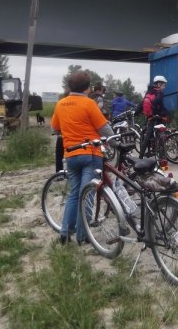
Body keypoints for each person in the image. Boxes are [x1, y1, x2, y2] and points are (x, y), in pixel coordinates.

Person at [51, 71, 114, 245]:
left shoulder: (60, 104)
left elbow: (55, 128)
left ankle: (65, 233)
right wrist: (115, 141)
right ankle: (82, 236)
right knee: (87, 194)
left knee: (74, 194)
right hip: (90, 154)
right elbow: (104, 128)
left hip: (71, 155)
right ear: (87, 88)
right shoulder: (89, 103)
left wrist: (70, 132)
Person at [139, 75, 170, 158]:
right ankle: (162, 155)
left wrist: (138, 112)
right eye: (163, 84)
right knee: (161, 133)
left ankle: (141, 156)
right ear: (159, 84)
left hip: (151, 117)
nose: (164, 86)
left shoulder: (149, 92)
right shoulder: (160, 93)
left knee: (147, 136)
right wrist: (165, 113)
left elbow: (142, 103)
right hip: (158, 117)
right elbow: (157, 103)